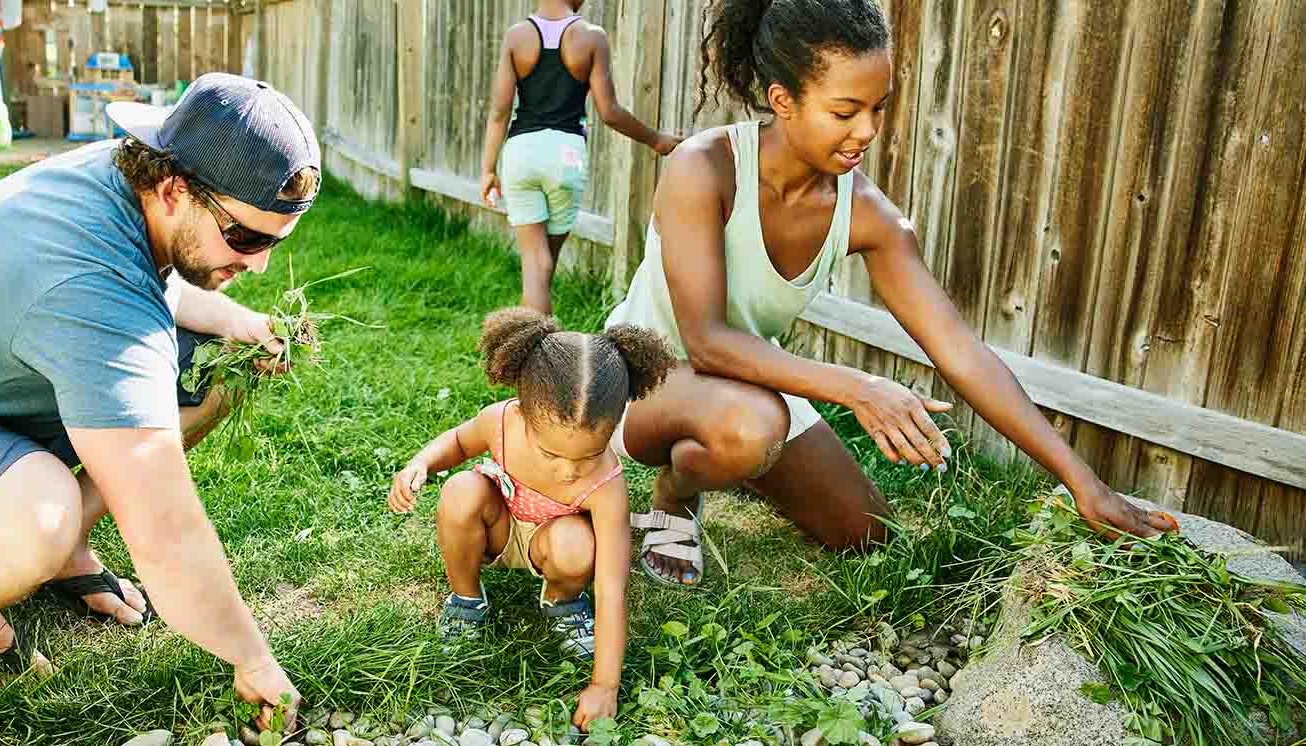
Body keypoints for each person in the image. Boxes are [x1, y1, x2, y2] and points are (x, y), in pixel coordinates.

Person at [0, 73, 316, 729]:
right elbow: (165, 530)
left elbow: (154, 285)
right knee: (41, 515)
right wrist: (252, 658)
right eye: (246, 238)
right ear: (174, 189)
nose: (261, 262)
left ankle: (66, 548)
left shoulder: (129, 187)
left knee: (215, 371)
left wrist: (233, 320)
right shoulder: (88, 285)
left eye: (274, 241)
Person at [605, 0, 1180, 588]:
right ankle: (677, 494)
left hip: (750, 389)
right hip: (645, 376)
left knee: (865, 532)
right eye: (844, 111)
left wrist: (1080, 479)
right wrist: (860, 388)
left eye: (878, 108)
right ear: (783, 101)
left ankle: (730, 456)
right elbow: (706, 343)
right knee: (751, 428)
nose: (868, 132)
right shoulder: (704, 168)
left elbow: (961, 351)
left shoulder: (868, 215)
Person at [387, 307, 675, 727]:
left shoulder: (607, 485)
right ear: (522, 413)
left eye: (588, 454)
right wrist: (421, 464)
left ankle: (563, 601)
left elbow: (612, 587)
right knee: (460, 490)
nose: (568, 469)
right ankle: (466, 599)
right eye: (550, 452)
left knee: (577, 545)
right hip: (500, 526)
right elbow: (456, 441)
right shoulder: (500, 422)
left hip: (555, 542)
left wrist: (604, 687)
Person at [479, 0, 684, 315]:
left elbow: (499, 111)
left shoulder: (517, 36)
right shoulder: (591, 37)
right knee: (543, 266)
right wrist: (657, 140)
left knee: (535, 267)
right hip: (565, 155)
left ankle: (526, 350)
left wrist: (488, 169)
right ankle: (536, 355)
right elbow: (610, 112)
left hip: (521, 152)